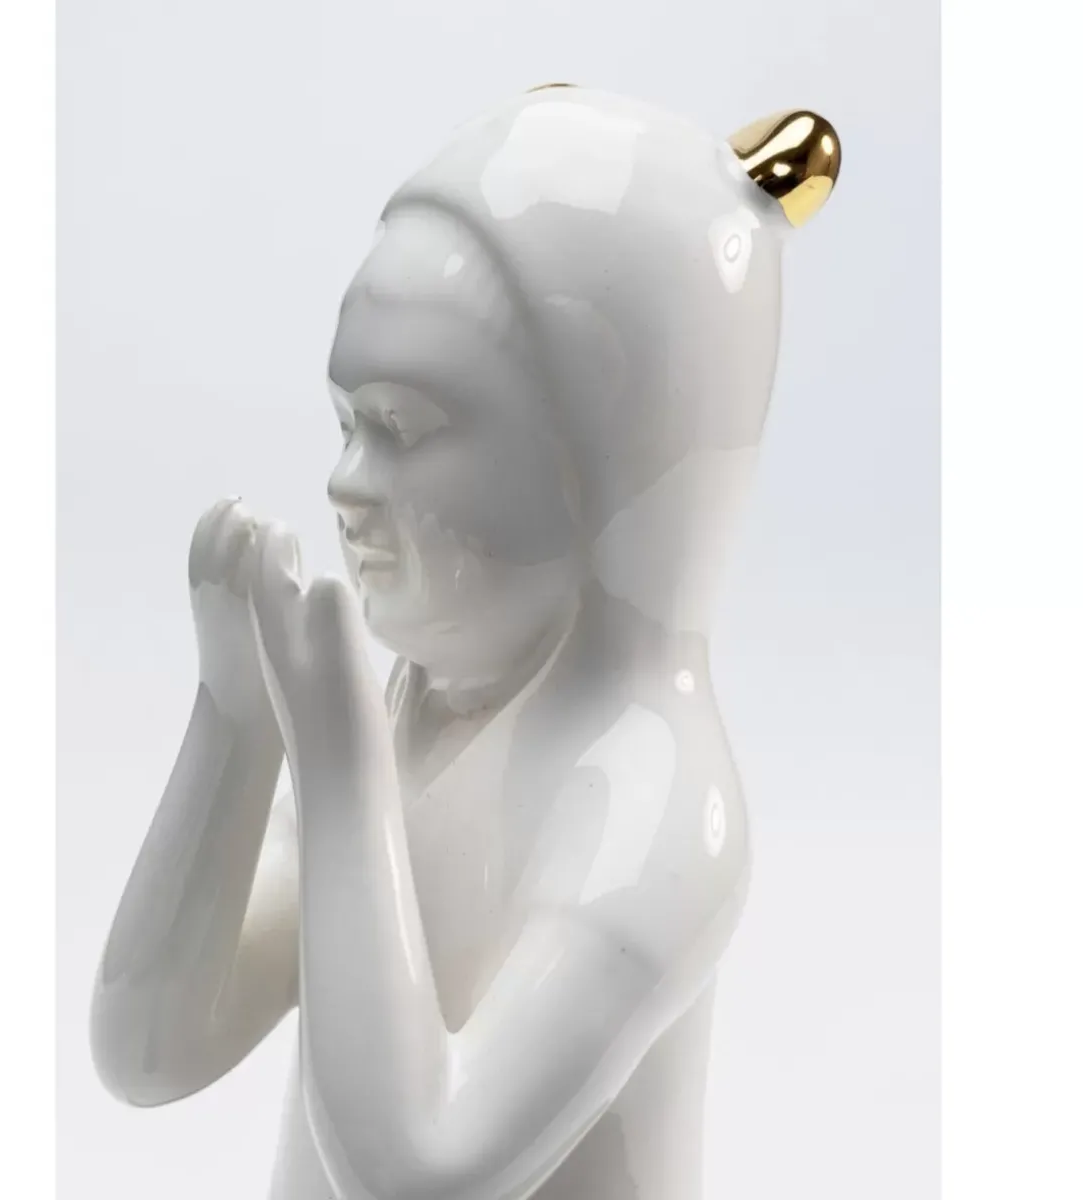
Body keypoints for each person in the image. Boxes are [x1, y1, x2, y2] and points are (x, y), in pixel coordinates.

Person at [91, 86, 839, 1200]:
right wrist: (236, 724)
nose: (344, 483)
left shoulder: (655, 800)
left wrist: (341, 773)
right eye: (346, 424)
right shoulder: (413, 711)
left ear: (611, 469)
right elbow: (148, 1048)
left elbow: (419, 1170)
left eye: (402, 427)